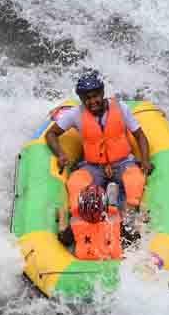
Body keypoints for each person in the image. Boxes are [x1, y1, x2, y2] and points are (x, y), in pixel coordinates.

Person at [45, 70, 153, 217]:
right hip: (93, 166)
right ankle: (80, 217)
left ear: (102, 92)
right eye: (86, 98)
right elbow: (51, 134)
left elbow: (140, 135)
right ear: (81, 99)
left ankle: (126, 217)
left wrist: (146, 160)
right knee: (75, 183)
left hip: (123, 162)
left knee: (134, 180)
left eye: (95, 96)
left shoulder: (121, 108)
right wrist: (61, 154)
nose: (92, 102)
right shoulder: (75, 114)